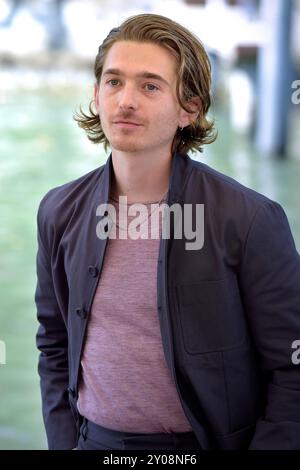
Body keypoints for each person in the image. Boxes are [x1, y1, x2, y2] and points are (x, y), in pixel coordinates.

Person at [35, 13, 300, 450]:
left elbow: (291, 370)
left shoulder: (248, 219)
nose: (125, 101)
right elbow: (54, 345)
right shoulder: (59, 212)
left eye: (150, 86)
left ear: (189, 108)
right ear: (96, 95)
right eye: (114, 82)